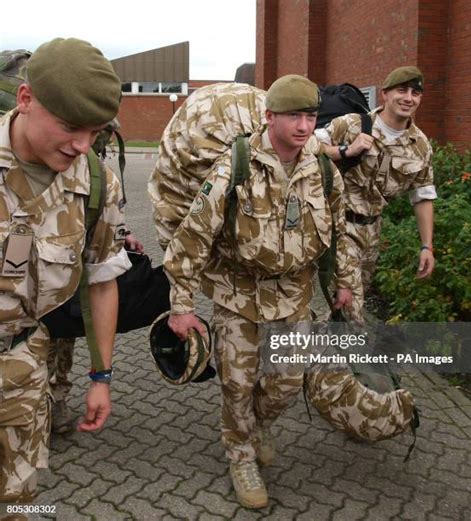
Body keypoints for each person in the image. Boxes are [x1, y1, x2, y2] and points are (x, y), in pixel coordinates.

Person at [158, 75, 355, 509]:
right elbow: (192, 238)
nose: (304, 126)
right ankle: (240, 454)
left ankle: (255, 426)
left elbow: (341, 231)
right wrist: (182, 307)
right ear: (269, 117)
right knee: (237, 383)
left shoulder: (321, 169)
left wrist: (344, 283)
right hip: (237, 294)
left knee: (285, 383)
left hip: (293, 294)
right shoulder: (236, 166)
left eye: (310, 116)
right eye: (293, 116)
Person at [0, 38, 130, 505]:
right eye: (72, 127)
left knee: (19, 500)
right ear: (27, 99)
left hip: (23, 369)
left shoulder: (95, 182)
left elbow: (102, 279)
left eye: (96, 132)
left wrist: (101, 377)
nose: (82, 145)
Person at [315, 66, 436, 323]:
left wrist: (427, 246)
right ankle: (346, 357)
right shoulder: (352, 124)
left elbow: (422, 195)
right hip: (339, 225)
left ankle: (319, 350)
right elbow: (308, 146)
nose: (408, 98)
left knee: (344, 303)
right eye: (401, 90)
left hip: (372, 232)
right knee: (350, 304)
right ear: (385, 95)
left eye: (415, 93)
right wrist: (345, 150)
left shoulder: (420, 146)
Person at [48, 232, 144, 434]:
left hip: (69, 272)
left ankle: (57, 397)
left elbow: (103, 215)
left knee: (65, 338)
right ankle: (36, 399)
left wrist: (123, 232)